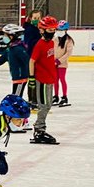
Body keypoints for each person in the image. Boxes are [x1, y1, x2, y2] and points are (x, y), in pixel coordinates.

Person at [28, 15, 60, 143]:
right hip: (41, 79)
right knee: (43, 105)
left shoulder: (51, 42)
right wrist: (31, 77)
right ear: (41, 30)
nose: (52, 33)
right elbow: (32, 61)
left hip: (50, 78)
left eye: (53, 30)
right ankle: (39, 130)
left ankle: (40, 128)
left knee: (48, 105)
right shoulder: (40, 44)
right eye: (49, 30)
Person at [52, 21, 74, 106]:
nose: (59, 31)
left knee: (62, 79)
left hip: (62, 64)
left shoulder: (69, 40)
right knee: (55, 80)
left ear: (66, 30)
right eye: (57, 29)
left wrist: (59, 60)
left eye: (61, 30)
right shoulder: (55, 39)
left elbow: (68, 53)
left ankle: (64, 96)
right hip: (53, 63)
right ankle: (56, 96)